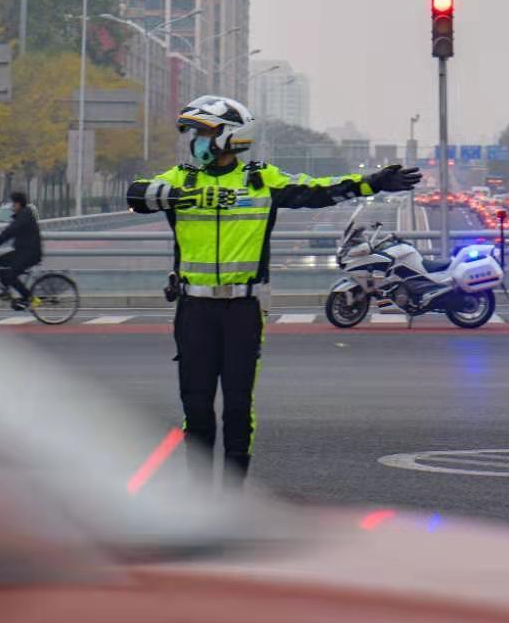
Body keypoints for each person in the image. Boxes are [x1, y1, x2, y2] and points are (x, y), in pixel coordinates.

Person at [126, 95, 419, 487]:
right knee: (195, 408)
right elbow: (137, 194)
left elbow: (318, 191)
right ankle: (196, 498)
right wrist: (188, 196)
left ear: (228, 136)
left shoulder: (261, 179)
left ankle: (230, 496)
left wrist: (370, 183)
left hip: (243, 311)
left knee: (237, 406)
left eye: (200, 133)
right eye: (192, 134)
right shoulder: (183, 178)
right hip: (193, 309)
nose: (193, 141)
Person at [0, 191, 43, 309]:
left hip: (30, 253)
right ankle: (7, 291)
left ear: (18, 204)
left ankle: (31, 299)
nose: (12, 207)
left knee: (10, 275)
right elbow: (11, 230)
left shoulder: (24, 215)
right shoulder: (24, 214)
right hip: (23, 251)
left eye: (13, 205)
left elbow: (11, 230)